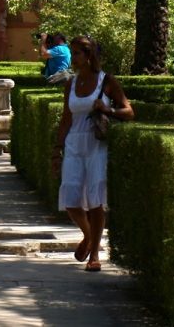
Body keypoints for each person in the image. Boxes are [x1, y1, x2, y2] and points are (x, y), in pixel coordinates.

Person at [51, 35, 133, 271]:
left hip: (96, 143)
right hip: (74, 144)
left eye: (77, 53)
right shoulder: (71, 84)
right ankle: (88, 236)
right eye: (73, 53)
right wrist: (57, 149)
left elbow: (129, 111)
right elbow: (66, 119)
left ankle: (94, 255)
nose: (73, 58)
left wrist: (108, 109)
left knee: (96, 200)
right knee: (70, 198)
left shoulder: (106, 81)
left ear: (89, 56)